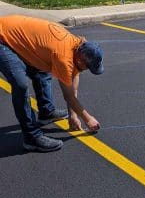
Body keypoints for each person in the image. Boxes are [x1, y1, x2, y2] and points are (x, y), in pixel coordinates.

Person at [0, 15, 103, 152]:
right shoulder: (63, 57)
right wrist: (88, 119)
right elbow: (69, 96)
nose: (86, 71)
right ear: (80, 61)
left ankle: (46, 112)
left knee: (41, 70)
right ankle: (32, 137)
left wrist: (73, 115)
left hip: (14, 36)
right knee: (20, 84)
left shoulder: (77, 46)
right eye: (88, 67)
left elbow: (73, 80)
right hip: (2, 39)